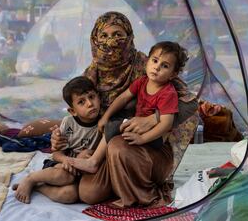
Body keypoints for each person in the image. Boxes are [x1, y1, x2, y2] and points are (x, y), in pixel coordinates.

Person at [51, 11, 197, 207]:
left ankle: (132, 189)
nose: (111, 42)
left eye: (118, 34)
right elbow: (80, 114)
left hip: (143, 149)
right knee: (87, 194)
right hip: (104, 147)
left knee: (117, 146)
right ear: (95, 40)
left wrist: (153, 118)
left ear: (129, 36)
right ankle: (112, 179)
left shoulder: (145, 67)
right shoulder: (92, 74)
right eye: (104, 36)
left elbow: (192, 102)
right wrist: (60, 137)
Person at [69, 41, 188, 175]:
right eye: (155, 61)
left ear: (173, 74)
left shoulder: (167, 93)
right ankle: (98, 160)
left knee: (113, 126)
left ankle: (93, 162)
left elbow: (166, 124)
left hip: (155, 136)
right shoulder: (142, 81)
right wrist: (106, 116)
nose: (157, 67)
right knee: (113, 121)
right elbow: (122, 98)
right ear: (147, 61)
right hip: (138, 124)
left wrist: (143, 139)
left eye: (165, 66)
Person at [13, 76, 102, 204]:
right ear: (73, 111)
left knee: (70, 195)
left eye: (92, 97)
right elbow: (56, 153)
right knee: (65, 176)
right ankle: (31, 179)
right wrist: (66, 160)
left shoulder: (103, 123)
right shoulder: (69, 123)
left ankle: (39, 187)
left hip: (81, 171)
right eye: (81, 102)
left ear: (98, 97)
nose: (90, 104)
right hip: (60, 166)